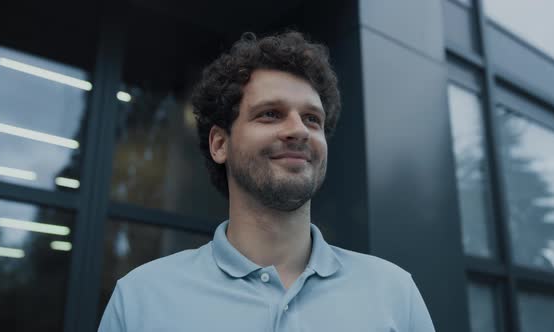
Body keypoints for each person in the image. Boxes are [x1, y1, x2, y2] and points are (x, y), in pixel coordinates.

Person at [98, 30, 436, 332]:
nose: (299, 130)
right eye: (270, 114)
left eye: (312, 119)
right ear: (220, 144)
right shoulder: (141, 300)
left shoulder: (395, 294)